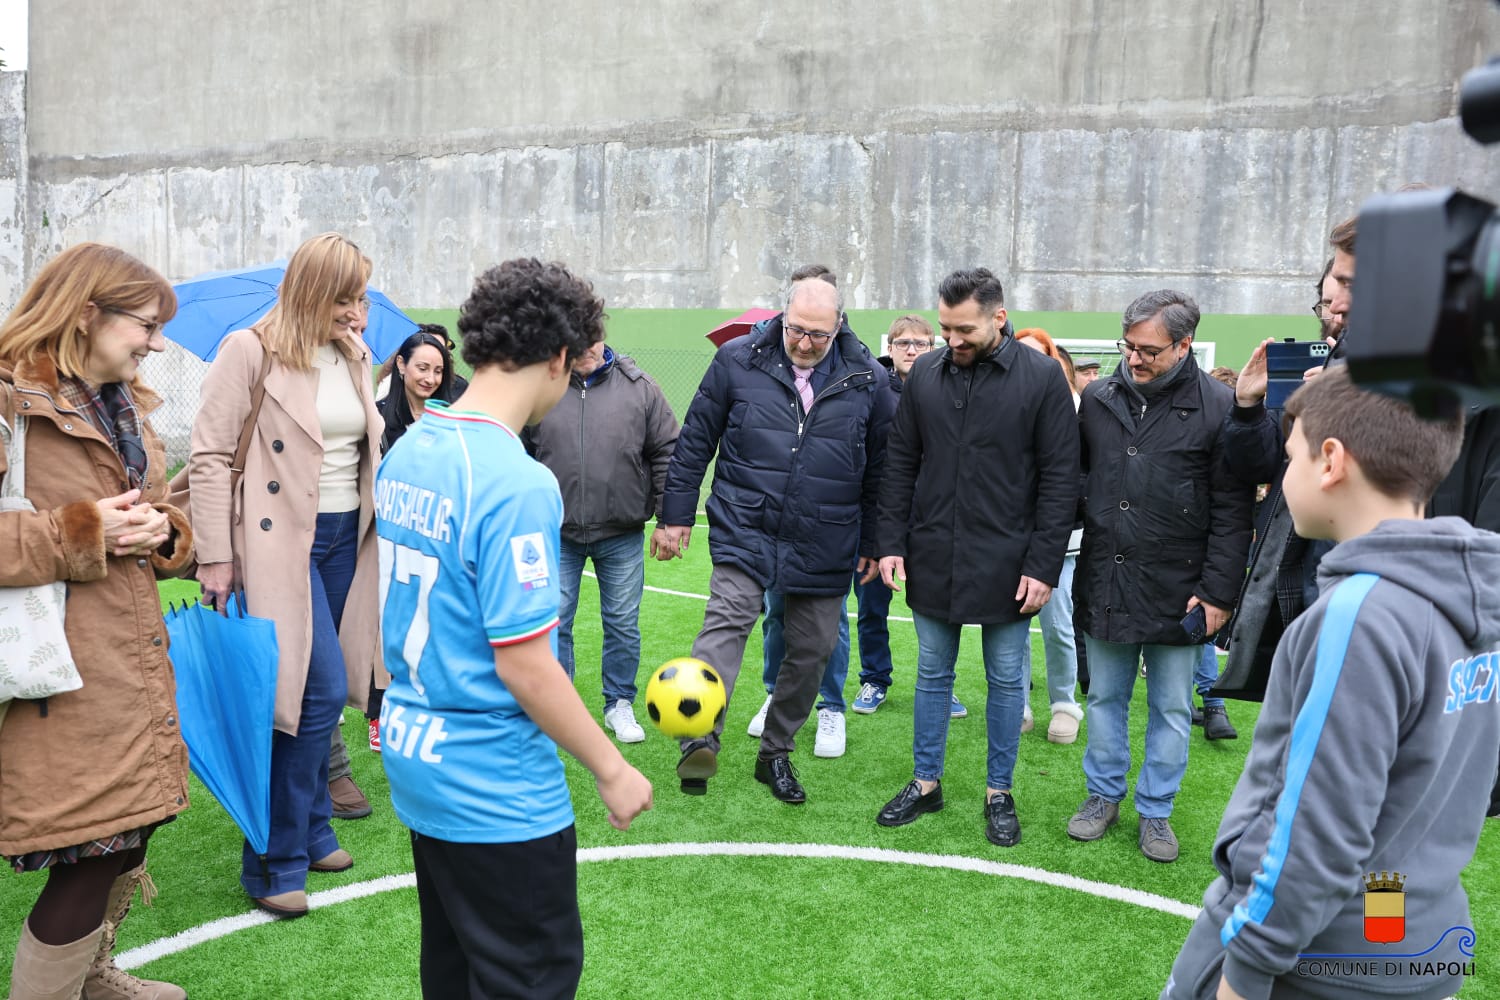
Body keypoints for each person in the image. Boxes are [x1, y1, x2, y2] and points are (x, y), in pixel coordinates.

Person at [1163, 367, 1498, 1000]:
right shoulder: (1473, 601)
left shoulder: (1357, 617)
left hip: (1312, 963)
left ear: (1332, 462)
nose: (1283, 478)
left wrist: (1247, 969)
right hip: (1415, 944)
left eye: (1290, 458)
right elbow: (1407, 808)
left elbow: (1318, 827)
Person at [376, 258, 652, 999]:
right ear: (559, 357)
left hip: (418, 756)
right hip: (492, 784)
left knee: (456, 969)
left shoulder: (410, 447)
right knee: (528, 979)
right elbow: (525, 665)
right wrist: (612, 769)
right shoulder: (514, 479)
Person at [0, 243, 194, 1000]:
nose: (157, 344)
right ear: (87, 313)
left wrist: (165, 532)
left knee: (128, 834)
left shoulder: (121, 402)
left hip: (127, 661)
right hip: (51, 678)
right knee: (87, 856)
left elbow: (151, 511)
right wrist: (85, 533)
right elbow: (80, 529)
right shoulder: (10, 400)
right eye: (146, 325)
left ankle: (90, 977)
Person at [189, 232, 385, 917]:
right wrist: (215, 554)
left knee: (322, 691)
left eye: (361, 298)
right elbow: (209, 455)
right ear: (311, 292)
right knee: (309, 693)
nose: (358, 312)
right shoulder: (249, 350)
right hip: (279, 544)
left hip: (344, 537)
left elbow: (359, 449)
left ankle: (315, 830)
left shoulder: (354, 353)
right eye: (345, 298)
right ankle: (273, 860)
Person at [657, 276, 894, 803]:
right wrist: (675, 515)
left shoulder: (868, 378)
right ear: (782, 317)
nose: (804, 343)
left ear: (839, 326)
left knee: (812, 649)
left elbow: (883, 468)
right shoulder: (736, 360)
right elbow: (695, 441)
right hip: (745, 523)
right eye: (796, 329)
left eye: (818, 335)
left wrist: (876, 542)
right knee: (725, 623)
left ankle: (775, 753)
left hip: (826, 535)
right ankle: (699, 741)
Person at [874, 268, 1079, 848]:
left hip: (1011, 563)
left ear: (998, 317)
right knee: (932, 673)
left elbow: (1061, 479)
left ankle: (999, 792)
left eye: (964, 329)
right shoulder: (925, 375)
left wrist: (1042, 565)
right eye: (945, 329)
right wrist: (890, 542)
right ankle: (926, 782)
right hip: (933, 551)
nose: (952, 340)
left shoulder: (1042, 377)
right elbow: (901, 463)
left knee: (1007, 679)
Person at [1068, 290, 1252, 864]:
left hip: (1183, 589)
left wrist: (1218, 593)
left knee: (1172, 707)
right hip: (1106, 576)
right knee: (1104, 697)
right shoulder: (1098, 397)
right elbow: (1075, 481)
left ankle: (1156, 809)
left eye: (1148, 350)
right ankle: (1103, 796)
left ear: (1184, 344)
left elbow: (1233, 511)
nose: (1134, 358)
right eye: (1128, 346)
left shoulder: (1219, 405)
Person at [522, 337, 680, 744]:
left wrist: (668, 518)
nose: (586, 348)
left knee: (623, 623)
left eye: (591, 337)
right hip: (556, 532)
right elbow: (517, 452)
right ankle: (558, 707)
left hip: (621, 533)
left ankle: (619, 703)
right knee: (554, 620)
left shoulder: (640, 387)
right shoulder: (540, 385)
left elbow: (667, 451)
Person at [1013, 327, 1086, 743]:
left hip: (1062, 541)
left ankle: (1064, 704)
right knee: (1012, 627)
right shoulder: (1001, 402)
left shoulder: (1077, 408)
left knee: (1058, 624)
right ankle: (1017, 703)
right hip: (1010, 536)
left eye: (1039, 355)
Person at [377, 328, 459, 452]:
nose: (430, 379)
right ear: (401, 364)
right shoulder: (378, 417)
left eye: (438, 371)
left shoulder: (451, 419)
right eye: (422, 368)